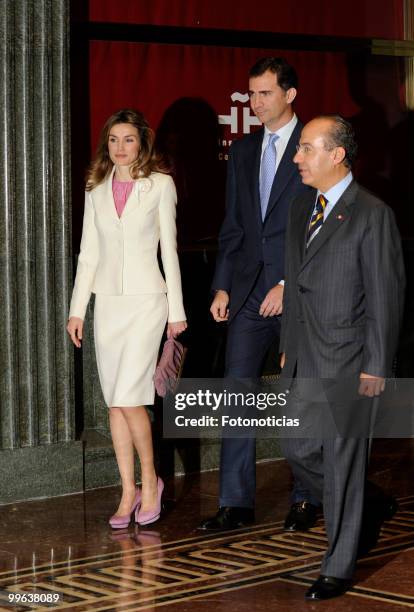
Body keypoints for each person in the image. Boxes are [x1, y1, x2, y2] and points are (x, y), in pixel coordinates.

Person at [280, 115, 405, 600]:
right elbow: (296, 281)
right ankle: (364, 504)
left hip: (352, 361)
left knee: (343, 460)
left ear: (336, 155)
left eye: (307, 149)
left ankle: (338, 565)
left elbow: (386, 298)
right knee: (296, 448)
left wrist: (377, 366)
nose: (297, 157)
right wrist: (289, 343)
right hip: (306, 359)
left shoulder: (372, 214)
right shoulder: (298, 209)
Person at [199, 57, 318, 532]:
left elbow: (322, 226)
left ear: (290, 94)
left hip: (298, 293)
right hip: (248, 293)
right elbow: (235, 226)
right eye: (252, 94)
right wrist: (223, 284)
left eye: (265, 93)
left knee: (301, 399)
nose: (256, 102)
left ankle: (307, 497)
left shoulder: (315, 144)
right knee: (236, 395)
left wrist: (289, 283)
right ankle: (236, 503)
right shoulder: (245, 150)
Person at [67, 109, 187, 528]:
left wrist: (177, 312)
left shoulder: (160, 186)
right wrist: (77, 309)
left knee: (131, 399)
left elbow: (169, 251)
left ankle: (151, 483)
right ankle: (127, 489)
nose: (120, 147)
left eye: (129, 139)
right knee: (114, 405)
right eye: (114, 139)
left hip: (147, 303)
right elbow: (88, 254)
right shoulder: (95, 188)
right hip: (110, 305)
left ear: (142, 143)